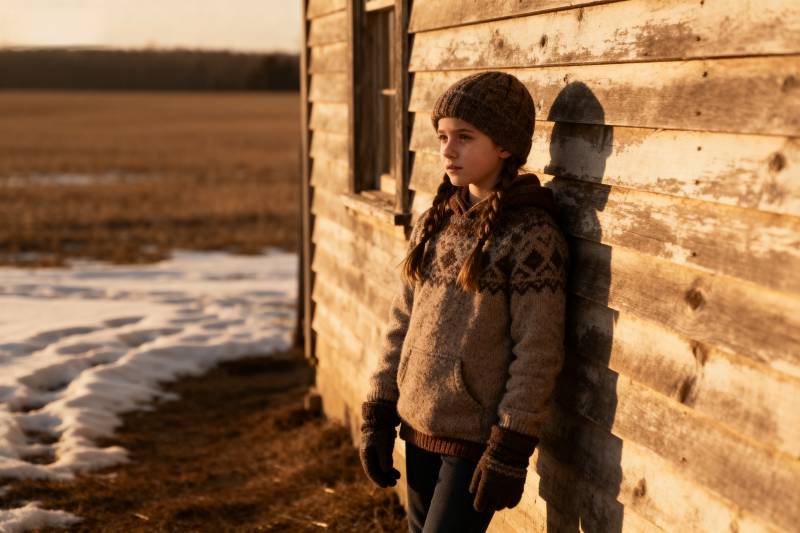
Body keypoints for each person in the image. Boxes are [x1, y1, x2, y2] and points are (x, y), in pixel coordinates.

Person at [359, 71, 569, 533]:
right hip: (418, 425)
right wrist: (378, 411)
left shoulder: (530, 235)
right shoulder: (433, 222)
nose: (447, 150)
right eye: (442, 137)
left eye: (464, 137)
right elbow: (402, 323)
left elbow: (538, 350)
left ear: (505, 146)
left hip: (475, 441)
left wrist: (510, 447)